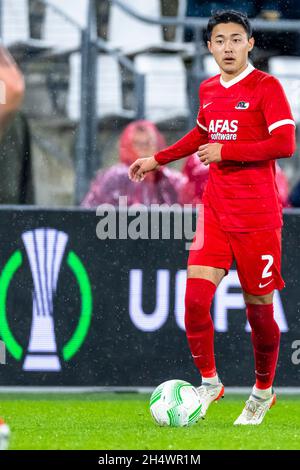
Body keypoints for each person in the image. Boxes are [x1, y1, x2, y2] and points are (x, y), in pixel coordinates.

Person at [128, 10, 296, 425]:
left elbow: (286, 143)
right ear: (209, 47)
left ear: (250, 43)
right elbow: (202, 134)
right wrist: (157, 159)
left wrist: (228, 151)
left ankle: (261, 391)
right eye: (219, 40)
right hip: (216, 210)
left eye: (236, 39)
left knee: (259, 310)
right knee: (195, 301)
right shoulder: (208, 89)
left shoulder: (266, 87)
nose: (228, 47)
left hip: (257, 215)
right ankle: (210, 382)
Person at [81, 120, 186, 207]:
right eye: (138, 144)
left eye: (148, 143)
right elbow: (91, 214)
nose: (144, 149)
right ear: (128, 146)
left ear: (157, 144)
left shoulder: (171, 180)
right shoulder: (116, 177)